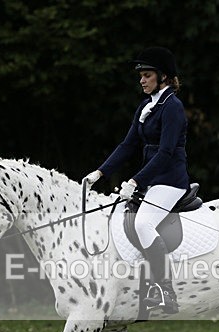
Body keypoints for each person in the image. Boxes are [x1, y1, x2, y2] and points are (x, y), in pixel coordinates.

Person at [83, 46, 189, 314]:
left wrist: (135, 181)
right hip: (152, 180)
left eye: (147, 74)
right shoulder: (146, 106)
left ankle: (167, 292)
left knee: (143, 224)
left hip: (170, 180)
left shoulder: (172, 107)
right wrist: (101, 172)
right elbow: (128, 144)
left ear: (163, 77)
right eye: (140, 75)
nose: (141, 80)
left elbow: (165, 153)